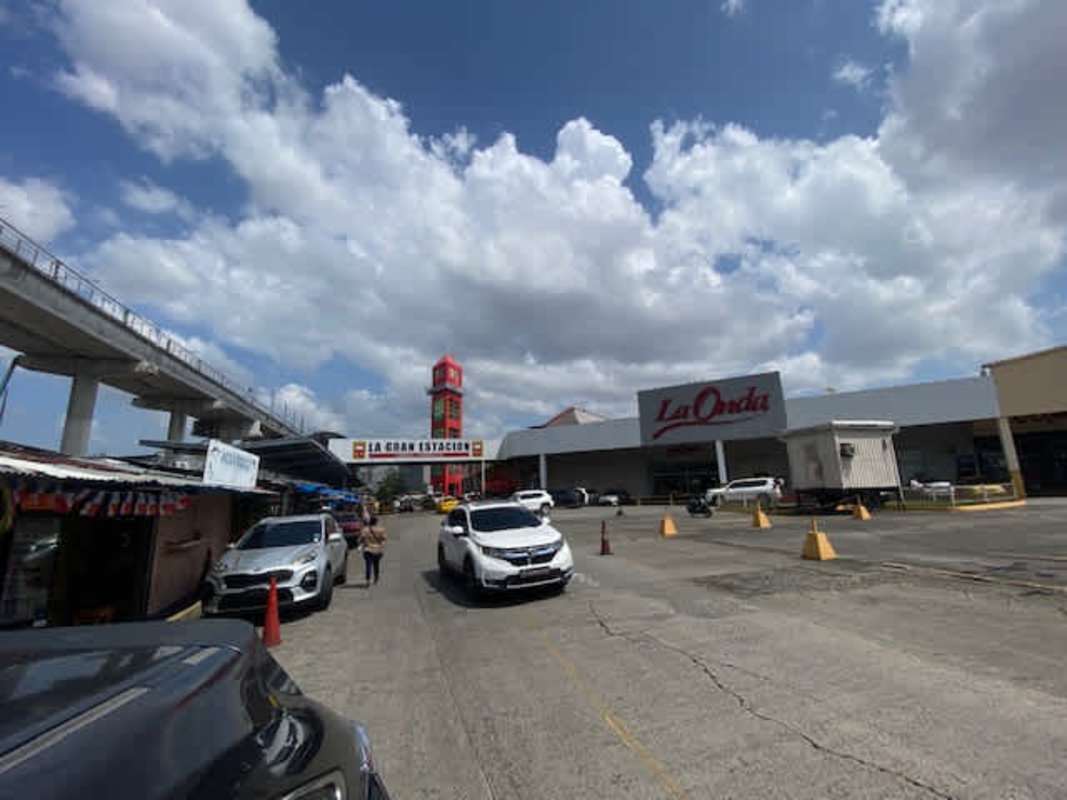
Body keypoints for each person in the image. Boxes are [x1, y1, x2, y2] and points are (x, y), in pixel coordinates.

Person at [359, 515, 387, 586]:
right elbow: (384, 539)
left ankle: (368, 580)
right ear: (376, 522)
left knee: (368, 565)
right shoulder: (381, 529)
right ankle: (376, 579)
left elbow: (361, 539)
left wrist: (362, 543)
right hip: (378, 550)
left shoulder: (365, 530)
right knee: (376, 565)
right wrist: (381, 545)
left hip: (368, 550)